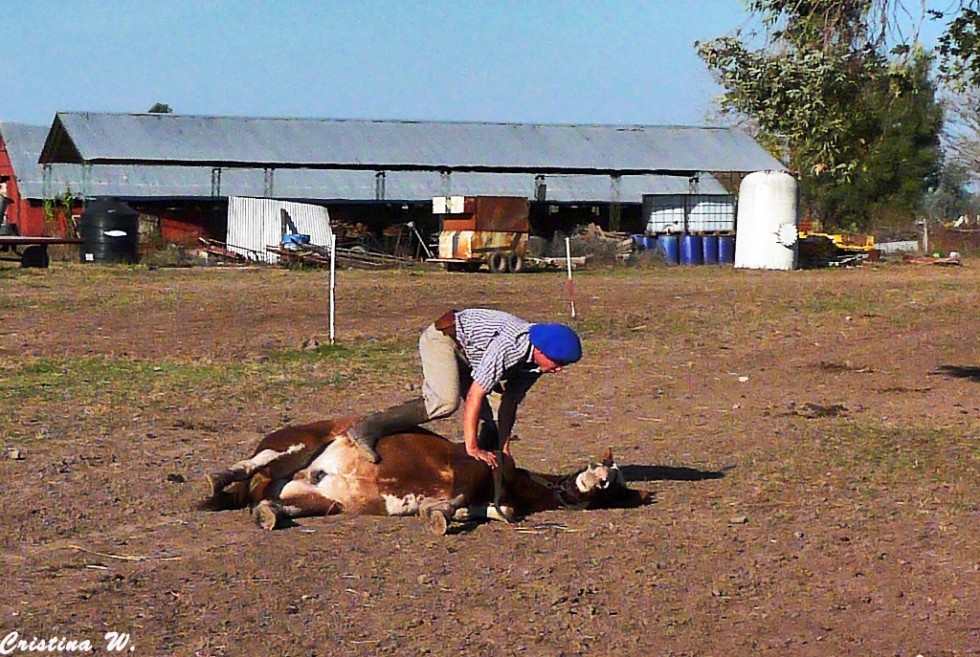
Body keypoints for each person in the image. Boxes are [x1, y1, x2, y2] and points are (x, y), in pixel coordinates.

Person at [345, 308, 582, 467]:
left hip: (473, 354)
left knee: (498, 412)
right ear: (541, 351)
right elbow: (475, 395)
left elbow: (509, 402)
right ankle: (367, 428)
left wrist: (506, 450)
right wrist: (472, 447)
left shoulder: (536, 364)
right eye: (558, 362)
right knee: (445, 402)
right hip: (445, 340)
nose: (558, 369)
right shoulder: (510, 347)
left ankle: (485, 463)